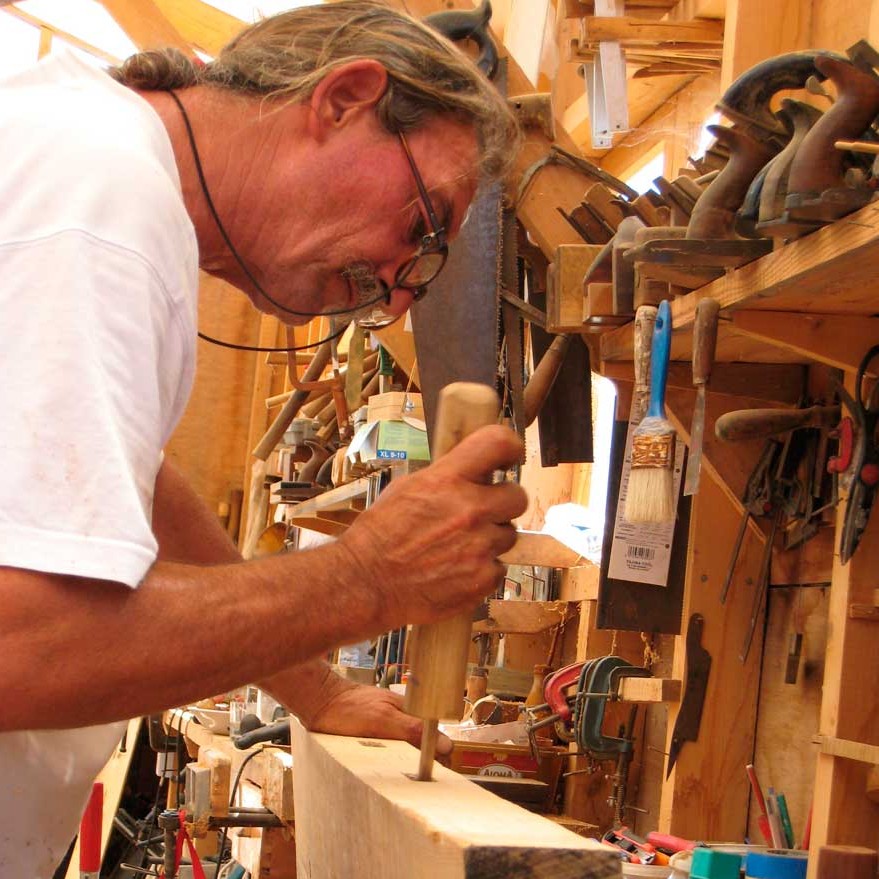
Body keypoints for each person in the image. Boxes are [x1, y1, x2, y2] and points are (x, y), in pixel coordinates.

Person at [0, 2, 527, 874]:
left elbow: (135, 478)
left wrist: (311, 685)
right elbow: (21, 643)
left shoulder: (80, 155)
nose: (398, 294)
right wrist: (367, 578)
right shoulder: (99, 204)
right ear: (345, 98)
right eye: (421, 226)